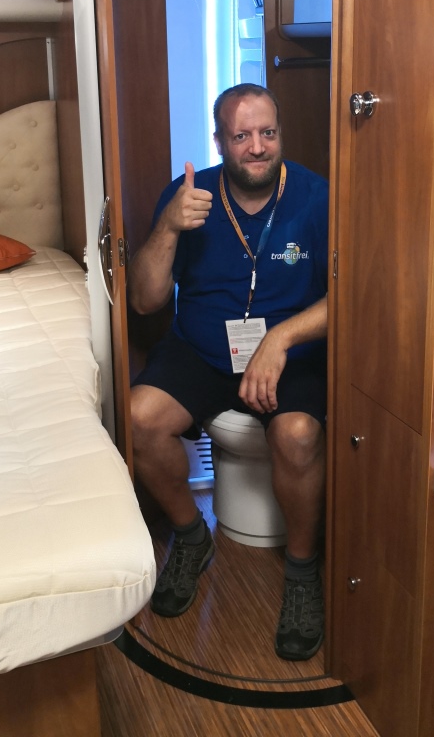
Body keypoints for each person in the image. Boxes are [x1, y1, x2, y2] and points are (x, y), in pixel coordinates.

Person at [128, 83, 328, 660]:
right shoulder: (188, 196)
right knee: (139, 418)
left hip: (289, 356)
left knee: (297, 435)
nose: (257, 147)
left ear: (280, 134)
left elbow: (350, 296)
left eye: (267, 133)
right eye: (242, 136)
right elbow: (144, 300)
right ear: (219, 142)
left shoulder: (317, 197)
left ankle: (301, 572)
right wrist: (168, 227)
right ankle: (192, 536)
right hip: (200, 350)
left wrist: (282, 338)